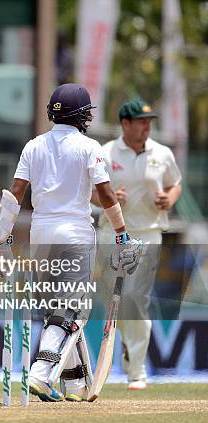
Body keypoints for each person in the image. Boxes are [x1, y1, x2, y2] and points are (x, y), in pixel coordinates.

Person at [0, 83, 142, 402]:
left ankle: (74, 385)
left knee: (56, 313)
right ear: (82, 115)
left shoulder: (33, 145)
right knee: (70, 311)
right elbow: (106, 194)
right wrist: (122, 234)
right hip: (75, 235)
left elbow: (15, 192)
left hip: (41, 234)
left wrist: (0, 239)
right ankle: (41, 375)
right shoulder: (90, 147)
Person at [93, 99, 182, 391]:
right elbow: (91, 193)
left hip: (148, 233)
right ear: (125, 124)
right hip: (112, 234)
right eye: (141, 121)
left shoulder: (162, 153)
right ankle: (127, 347)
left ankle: (136, 370)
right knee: (114, 301)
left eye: (149, 122)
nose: (147, 127)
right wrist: (109, 198)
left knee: (135, 299)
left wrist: (169, 199)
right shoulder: (106, 153)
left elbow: (175, 183)